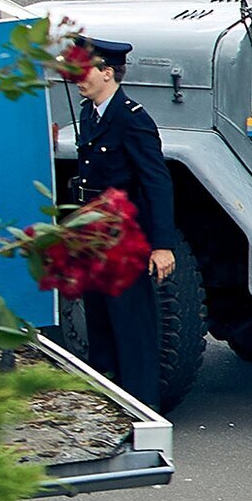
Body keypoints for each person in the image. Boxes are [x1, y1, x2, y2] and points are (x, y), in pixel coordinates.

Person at [59, 28, 179, 409]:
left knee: (133, 329)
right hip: (94, 234)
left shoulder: (131, 120)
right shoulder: (89, 114)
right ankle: (108, 405)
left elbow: (156, 183)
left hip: (124, 238)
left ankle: (142, 411)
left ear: (107, 72)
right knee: (100, 324)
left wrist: (161, 245)